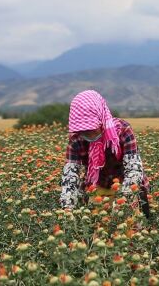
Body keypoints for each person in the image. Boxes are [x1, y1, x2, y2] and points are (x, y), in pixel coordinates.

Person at [59, 90, 150, 218]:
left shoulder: (123, 131)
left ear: (101, 118)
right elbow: (70, 177)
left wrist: (122, 201)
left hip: (127, 188)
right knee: (97, 229)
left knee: (131, 228)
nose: (88, 134)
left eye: (91, 129)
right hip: (97, 188)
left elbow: (134, 170)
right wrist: (68, 208)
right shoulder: (76, 139)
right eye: (83, 130)